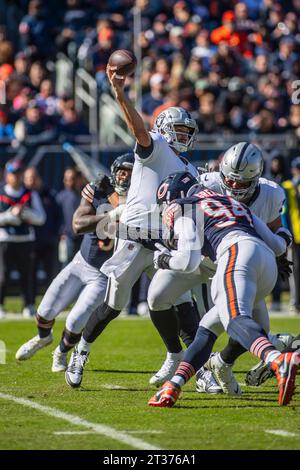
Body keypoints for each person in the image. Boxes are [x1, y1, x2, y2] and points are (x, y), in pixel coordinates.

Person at [64, 63, 200, 389]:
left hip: (164, 239)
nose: (185, 137)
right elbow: (138, 127)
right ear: (166, 130)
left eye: (187, 132)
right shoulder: (155, 145)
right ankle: (80, 351)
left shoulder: (190, 169)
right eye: (180, 131)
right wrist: (120, 94)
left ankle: (189, 364)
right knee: (113, 304)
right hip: (134, 235)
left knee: (179, 302)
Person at [148, 142, 293, 394]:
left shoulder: (268, 194)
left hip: (230, 258)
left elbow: (185, 254)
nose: (234, 187)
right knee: (158, 297)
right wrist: (282, 242)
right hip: (214, 256)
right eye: (230, 181)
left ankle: (230, 362)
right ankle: (179, 359)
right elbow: (275, 238)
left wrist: (163, 257)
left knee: (236, 322)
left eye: (242, 183)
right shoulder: (210, 186)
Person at [15, 153, 133, 371]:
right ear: (114, 172)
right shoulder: (98, 190)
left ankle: (59, 352)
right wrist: (112, 214)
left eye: (130, 172)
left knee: (76, 321)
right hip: (81, 263)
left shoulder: (139, 201)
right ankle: (43, 338)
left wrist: (121, 209)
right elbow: (78, 224)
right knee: (44, 310)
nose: (125, 177)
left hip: (104, 274)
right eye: (121, 171)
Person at [0, 159, 46, 318]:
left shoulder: (30, 194)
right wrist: (9, 216)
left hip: (25, 239)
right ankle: (0, 306)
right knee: (2, 275)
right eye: (13, 173)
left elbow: (41, 218)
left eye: (19, 173)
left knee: (26, 274)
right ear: (7, 175)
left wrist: (25, 213)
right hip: (5, 240)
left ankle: (28, 304)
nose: (16, 177)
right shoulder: (1, 194)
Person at [23, 167, 61, 295]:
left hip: (48, 241)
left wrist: (55, 234)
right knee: (30, 273)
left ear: (38, 178)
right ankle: (30, 303)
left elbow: (58, 216)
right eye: (28, 179)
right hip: (30, 242)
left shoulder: (49, 194)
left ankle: (51, 301)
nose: (31, 182)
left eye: (33, 178)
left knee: (50, 274)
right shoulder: (23, 196)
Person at [282, 157, 300, 314]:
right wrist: (287, 233)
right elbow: (284, 212)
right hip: (295, 233)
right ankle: (295, 301)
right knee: (295, 270)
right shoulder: (288, 186)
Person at [56, 167, 83, 267]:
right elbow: (56, 218)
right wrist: (61, 233)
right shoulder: (60, 197)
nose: (68, 182)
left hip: (82, 238)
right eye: (66, 179)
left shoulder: (85, 197)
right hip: (67, 238)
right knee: (66, 266)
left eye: (72, 178)